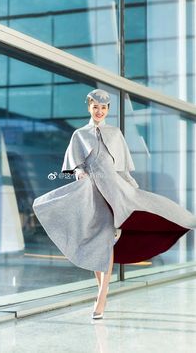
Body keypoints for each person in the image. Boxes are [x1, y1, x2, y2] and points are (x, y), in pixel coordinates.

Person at [33, 89, 196, 320]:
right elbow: (75, 166)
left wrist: (133, 188)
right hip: (92, 194)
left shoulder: (115, 133)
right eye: (95, 107)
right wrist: (79, 173)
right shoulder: (79, 134)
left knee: (107, 240)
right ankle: (102, 291)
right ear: (88, 107)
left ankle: (102, 295)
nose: (99, 111)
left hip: (116, 191)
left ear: (108, 109)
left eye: (103, 107)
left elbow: (122, 168)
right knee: (94, 243)